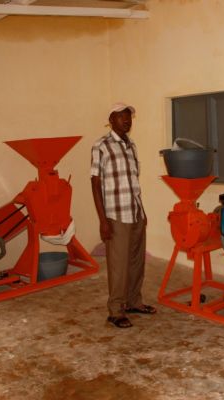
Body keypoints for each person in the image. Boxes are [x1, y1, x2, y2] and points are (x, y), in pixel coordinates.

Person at [90, 102, 156, 328]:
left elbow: (134, 183)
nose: (127, 120)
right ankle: (116, 310)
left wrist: (142, 209)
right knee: (119, 264)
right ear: (111, 119)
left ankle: (134, 301)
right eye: (121, 116)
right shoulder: (101, 145)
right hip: (116, 214)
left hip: (135, 211)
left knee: (137, 262)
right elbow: (95, 183)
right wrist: (103, 220)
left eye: (129, 117)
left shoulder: (131, 145)